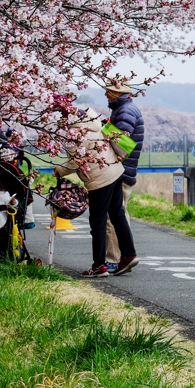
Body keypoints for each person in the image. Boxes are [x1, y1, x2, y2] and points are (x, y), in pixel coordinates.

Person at [55, 106, 139, 278]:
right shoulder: (92, 120)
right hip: (115, 170)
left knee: (98, 222)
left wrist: (60, 170)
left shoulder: (73, 134)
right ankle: (129, 254)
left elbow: (76, 162)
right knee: (117, 214)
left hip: (99, 179)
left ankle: (99, 265)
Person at [103, 80, 145, 272]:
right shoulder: (127, 109)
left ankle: (113, 259)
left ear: (116, 94)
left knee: (112, 217)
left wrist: (102, 129)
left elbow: (121, 142)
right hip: (127, 170)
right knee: (121, 213)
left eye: (108, 93)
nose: (106, 97)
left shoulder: (125, 112)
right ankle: (125, 255)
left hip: (120, 170)